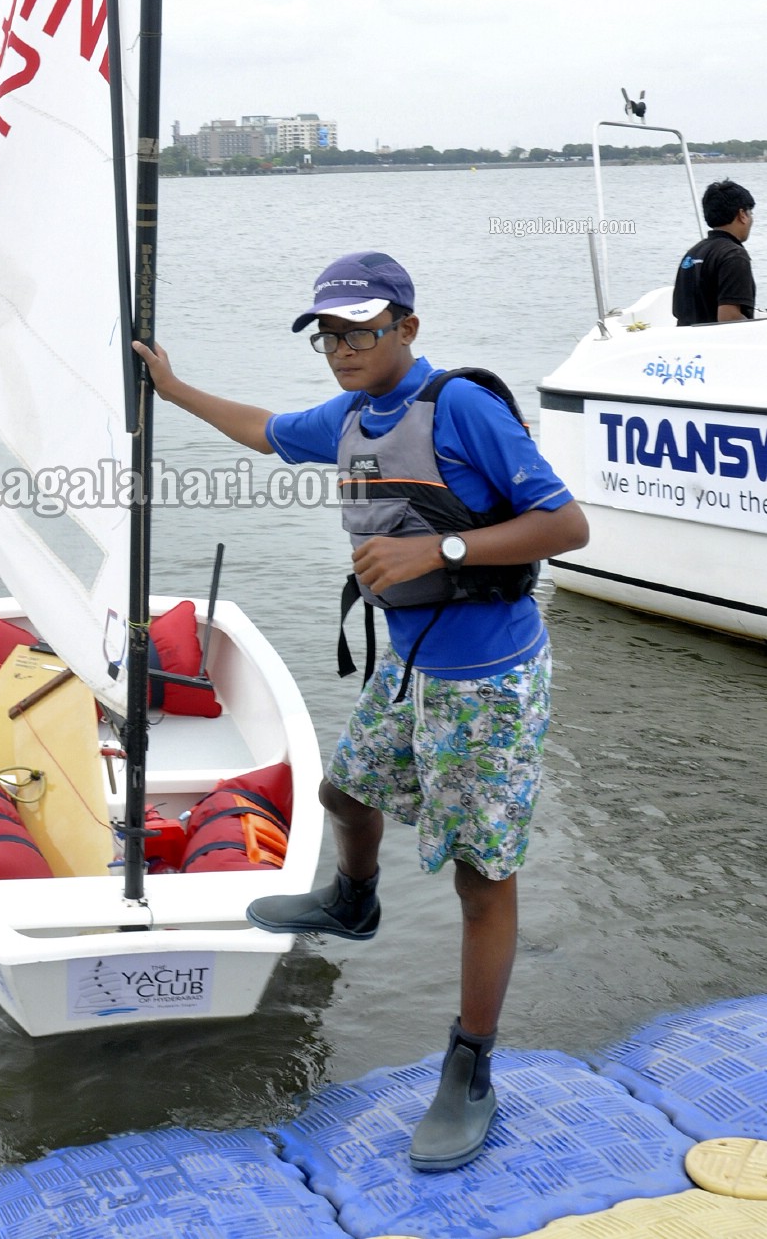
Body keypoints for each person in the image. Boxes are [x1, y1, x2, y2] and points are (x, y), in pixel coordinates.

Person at [134, 251, 588, 1173]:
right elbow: (263, 430)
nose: (342, 349)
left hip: (489, 676)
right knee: (343, 795)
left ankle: (470, 1064)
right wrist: (172, 387)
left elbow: (566, 523)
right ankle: (353, 899)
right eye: (329, 335)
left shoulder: (459, 407)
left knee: (479, 876)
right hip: (411, 662)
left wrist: (439, 550)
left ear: (407, 329)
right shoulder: (346, 418)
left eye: (361, 331)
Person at [673, 179, 756, 325]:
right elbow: (729, 318)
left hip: (688, 345)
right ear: (742, 214)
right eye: (751, 213)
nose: (751, 219)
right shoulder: (734, 256)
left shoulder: (692, 254)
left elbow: (679, 313)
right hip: (717, 346)